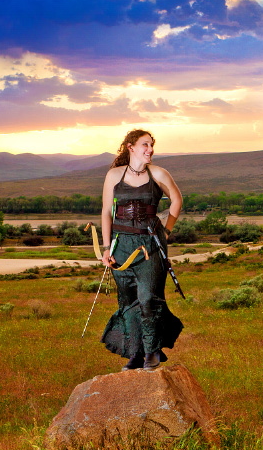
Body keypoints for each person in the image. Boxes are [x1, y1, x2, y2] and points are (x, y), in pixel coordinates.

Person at [99, 129, 184, 371]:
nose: (150, 150)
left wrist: (165, 231)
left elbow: (177, 200)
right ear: (131, 147)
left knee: (148, 298)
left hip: (150, 246)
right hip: (121, 246)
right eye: (145, 145)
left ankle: (152, 351)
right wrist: (107, 247)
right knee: (128, 302)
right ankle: (135, 353)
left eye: (152, 146)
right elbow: (107, 211)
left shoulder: (158, 173)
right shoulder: (114, 175)